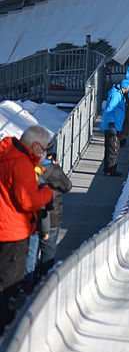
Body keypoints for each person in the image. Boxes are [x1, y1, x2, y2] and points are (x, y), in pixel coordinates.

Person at [0, 125, 53, 333]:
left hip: (4, 227)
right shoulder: (21, 164)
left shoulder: (6, 155)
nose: (45, 154)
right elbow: (27, 201)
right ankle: (5, 330)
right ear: (35, 145)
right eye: (44, 149)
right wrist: (46, 194)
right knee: (9, 283)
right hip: (13, 231)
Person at [35, 143, 72, 278]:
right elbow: (67, 186)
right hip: (52, 217)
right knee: (48, 251)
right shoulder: (54, 169)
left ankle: (28, 282)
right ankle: (44, 280)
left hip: (33, 217)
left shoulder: (31, 167)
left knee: (31, 252)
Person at [100, 78, 129, 176]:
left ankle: (109, 169)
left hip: (114, 125)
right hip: (112, 126)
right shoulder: (117, 95)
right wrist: (111, 124)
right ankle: (110, 170)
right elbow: (110, 109)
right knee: (113, 148)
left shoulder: (119, 94)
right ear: (125, 87)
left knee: (111, 147)